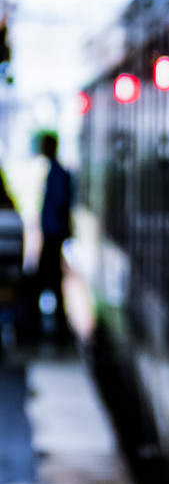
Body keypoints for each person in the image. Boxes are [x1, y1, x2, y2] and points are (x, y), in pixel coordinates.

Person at [37, 131, 73, 342]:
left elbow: (59, 205)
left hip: (53, 234)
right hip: (53, 232)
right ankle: (58, 321)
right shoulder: (56, 172)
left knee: (49, 276)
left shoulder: (57, 173)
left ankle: (57, 323)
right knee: (51, 277)